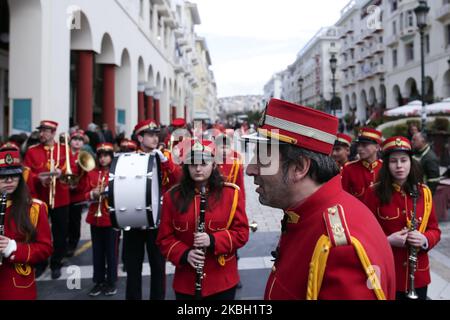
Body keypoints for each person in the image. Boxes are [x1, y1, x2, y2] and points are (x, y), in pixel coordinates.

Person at [244, 98, 396, 300]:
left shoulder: (340, 247)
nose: (250, 169)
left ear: (299, 167)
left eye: (262, 159)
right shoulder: (307, 214)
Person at [156, 139, 249, 300]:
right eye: (192, 164)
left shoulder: (231, 194)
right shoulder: (172, 197)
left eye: (204, 163)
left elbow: (241, 233)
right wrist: (185, 254)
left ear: (213, 165)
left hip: (222, 281)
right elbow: (164, 239)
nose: (198, 169)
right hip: (186, 282)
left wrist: (212, 240)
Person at [363, 136, 441, 300]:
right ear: (386, 164)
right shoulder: (374, 193)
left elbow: (435, 229)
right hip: (387, 272)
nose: (399, 166)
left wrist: (424, 239)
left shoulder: (424, 192)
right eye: (394, 161)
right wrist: (387, 241)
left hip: (418, 275)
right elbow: (363, 235)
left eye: (404, 160)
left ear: (410, 162)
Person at [122, 119, 180, 300]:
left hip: (158, 219)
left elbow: (178, 179)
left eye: (156, 134)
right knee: (133, 267)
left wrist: (165, 162)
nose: (155, 138)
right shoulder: (129, 157)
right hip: (135, 218)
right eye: (150, 135)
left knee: (158, 265)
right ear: (140, 138)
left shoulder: (165, 156)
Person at [0, 149, 53, 299]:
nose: (9, 180)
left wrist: (13, 248)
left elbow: (45, 248)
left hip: (16, 286)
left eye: (14, 175)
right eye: (3, 176)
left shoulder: (35, 208)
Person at [23, 120, 71, 279]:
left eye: (45, 131)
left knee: (60, 232)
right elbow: (26, 173)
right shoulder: (32, 151)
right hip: (39, 198)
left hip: (60, 197)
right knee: (39, 233)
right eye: (41, 130)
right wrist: (39, 178)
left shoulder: (64, 150)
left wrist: (61, 172)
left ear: (53, 132)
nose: (42, 134)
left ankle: (56, 263)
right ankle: (40, 263)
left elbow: (73, 172)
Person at [81, 143, 119, 297]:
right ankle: (98, 281)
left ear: (111, 156)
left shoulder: (116, 172)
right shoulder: (91, 173)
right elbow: (83, 195)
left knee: (111, 252)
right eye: (101, 156)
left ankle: (111, 282)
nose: (103, 159)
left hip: (111, 218)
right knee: (97, 252)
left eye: (106, 155)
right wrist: (91, 194)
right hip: (95, 219)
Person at [341, 127, 383, 200]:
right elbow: (344, 197)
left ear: (377, 147)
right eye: (358, 145)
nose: (359, 148)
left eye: (364, 145)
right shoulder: (349, 169)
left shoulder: (385, 168)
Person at [66, 130, 87, 257]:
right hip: (63, 193)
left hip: (77, 194)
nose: (77, 142)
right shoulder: (65, 154)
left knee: (75, 221)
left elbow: (86, 177)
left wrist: (77, 186)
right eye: (75, 139)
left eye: (80, 140)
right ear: (70, 141)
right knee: (63, 222)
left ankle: (72, 244)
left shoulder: (84, 156)